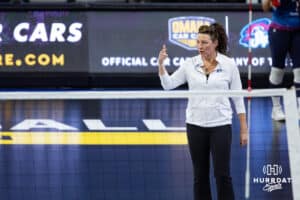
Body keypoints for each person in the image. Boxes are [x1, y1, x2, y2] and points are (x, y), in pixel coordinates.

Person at [158, 23, 248, 200]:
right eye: (198, 42)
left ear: (215, 43)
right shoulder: (189, 64)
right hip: (195, 125)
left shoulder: (229, 65)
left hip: (220, 125)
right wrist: (161, 64)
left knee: (222, 175)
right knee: (200, 177)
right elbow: (168, 85)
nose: (200, 46)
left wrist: (244, 129)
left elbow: (238, 98)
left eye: (204, 42)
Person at [262, 0, 300, 121]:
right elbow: (265, 7)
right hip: (279, 30)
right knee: (277, 70)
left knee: (299, 71)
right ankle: (276, 109)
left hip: (298, 31)